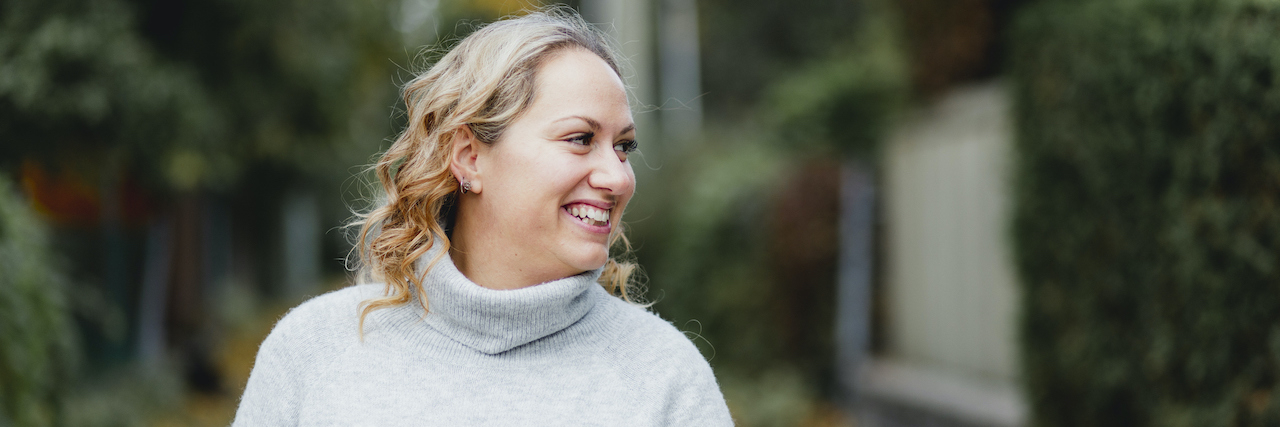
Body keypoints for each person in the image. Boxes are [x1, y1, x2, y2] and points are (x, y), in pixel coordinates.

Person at [232, 7, 733, 426]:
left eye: (623, 147)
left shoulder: (666, 378)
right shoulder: (312, 352)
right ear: (470, 157)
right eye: (581, 138)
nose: (620, 178)